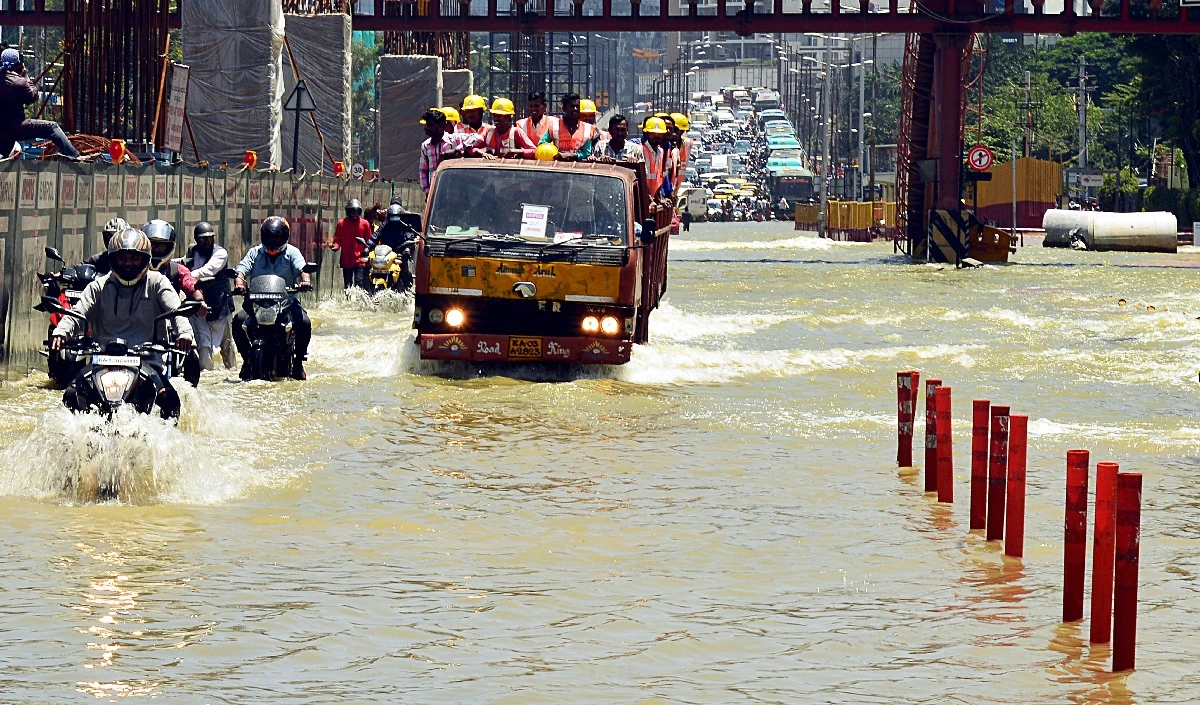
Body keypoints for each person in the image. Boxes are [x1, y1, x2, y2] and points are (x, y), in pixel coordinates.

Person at [50, 228, 193, 416]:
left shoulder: (158, 282)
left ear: (145, 259)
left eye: (134, 258)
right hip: (102, 360)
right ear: (113, 259)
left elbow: (176, 312)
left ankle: (169, 443)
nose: (128, 264)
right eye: (122, 258)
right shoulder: (98, 286)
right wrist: (61, 331)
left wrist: (184, 333)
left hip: (147, 361)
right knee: (71, 395)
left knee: (169, 401)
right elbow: (77, 313)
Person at [232, 217, 312, 380]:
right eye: (269, 237)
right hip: (257, 303)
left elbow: (302, 268)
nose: (272, 241)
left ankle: (298, 363)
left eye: (276, 237)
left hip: (285, 303)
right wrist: (239, 283)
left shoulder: (292, 252)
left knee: (304, 322)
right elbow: (241, 270)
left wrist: (306, 281)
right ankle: (246, 360)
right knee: (238, 321)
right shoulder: (255, 252)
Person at [0, 48, 80, 160]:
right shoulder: (19, 82)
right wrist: (25, 75)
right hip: (15, 128)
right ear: (17, 64)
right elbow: (33, 96)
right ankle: (74, 157)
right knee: (52, 127)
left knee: (4, 155)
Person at [179, 222, 234, 371]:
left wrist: (186, 277)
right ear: (197, 240)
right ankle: (207, 375)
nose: (207, 241)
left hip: (220, 306)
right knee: (203, 347)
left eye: (209, 238)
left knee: (227, 347)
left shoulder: (220, 253)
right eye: (203, 239)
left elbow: (208, 271)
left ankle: (233, 373)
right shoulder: (192, 252)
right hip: (199, 308)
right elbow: (181, 263)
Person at [418, 108, 483, 194]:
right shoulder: (425, 146)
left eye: (430, 125)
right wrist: (427, 191)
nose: (426, 128)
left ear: (441, 126)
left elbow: (478, 138)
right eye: (426, 125)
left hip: (456, 189)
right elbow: (423, 171)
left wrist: (456, 150)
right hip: (436, 192)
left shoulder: (454, 140)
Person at [331, 199, 372, 290]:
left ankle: (358, 301)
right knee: (347, 284)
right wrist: (335, 247)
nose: (354, 214)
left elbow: (369, 241)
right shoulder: (341, 223)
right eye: (352, 211)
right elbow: (337, 240)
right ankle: (348, 301)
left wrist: (368, 252)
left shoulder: (365, 224)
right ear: (348, 212)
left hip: (360, 259)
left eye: (357, 212)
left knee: (359, 282)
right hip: (346, 259)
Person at [546, 93, 598, 157]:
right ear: (564, 108)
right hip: (557, 165)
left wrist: (575, 156)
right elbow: (542, 144)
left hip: (579, 166)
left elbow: (586, 152)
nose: (575, 109)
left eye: (577, 106)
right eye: (572, 106)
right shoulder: (554, 126)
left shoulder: (587, 129)